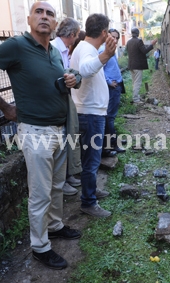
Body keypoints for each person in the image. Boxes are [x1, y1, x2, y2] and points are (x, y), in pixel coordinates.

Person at [0, 2, 82, 270]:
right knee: (40, 194)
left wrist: (71, 79)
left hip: (59, 129)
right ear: (29, 19)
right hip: (36, 131)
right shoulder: (16, 46)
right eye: (38, 12)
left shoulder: (53, 52)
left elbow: (56, 81)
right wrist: (5, 107)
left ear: (55, 24)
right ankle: (40, 248)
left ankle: (54, 226)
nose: (44, 16)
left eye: (49, 13)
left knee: (55, 186)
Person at [70, 13, 117, 218]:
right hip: (90, 115)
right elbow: (86, 70)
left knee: (91, 159)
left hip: (90, 113)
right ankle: (88, 202)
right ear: (104, 32)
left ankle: (91, 191)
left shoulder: (84, 47)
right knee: (91, 161)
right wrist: (106, 54)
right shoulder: (88, 49)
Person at [51, 17, 81, 195]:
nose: (76, 39)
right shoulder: (54, 49)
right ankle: (61, 183)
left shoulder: (64, 50)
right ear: (71, 34)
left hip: (64, 99)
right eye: (76, 35)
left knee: (69, 138)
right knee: (61, 143)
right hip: (56, 101)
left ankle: (67, 177)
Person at [98, 29, 126, 156]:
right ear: (107, 36)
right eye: (112, 37)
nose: (114, 40)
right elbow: (99, 70)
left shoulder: (111, 50)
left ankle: (112, 141)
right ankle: (112, 144)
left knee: (111, 116)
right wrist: (109, 82)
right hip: (111, 87)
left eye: (116, 38)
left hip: (116, 86)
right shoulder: (103, 51)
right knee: (110, 117)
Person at [126, 27, 157, 103]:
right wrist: (152, 44)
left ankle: (136, 96)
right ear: (138, 33)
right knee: (137, 82)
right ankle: (136, 99)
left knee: (134, 82)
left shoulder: (129, 42)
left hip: (131, 65)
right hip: (137, 66)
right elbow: (144, 51)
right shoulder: (139, 41)